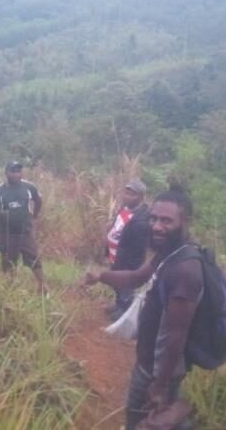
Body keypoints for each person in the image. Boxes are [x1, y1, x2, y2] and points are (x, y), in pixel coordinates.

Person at [85, 186, 202, 430]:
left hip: (156, 371)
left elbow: (176, 335)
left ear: (185, 221)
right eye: (154, 218)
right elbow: (136, 278)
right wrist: (101, 276)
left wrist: (160, 385)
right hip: (151, 365)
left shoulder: (186, 269)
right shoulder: (170, 252)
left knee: (139, 422)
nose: (157, 226)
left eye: (166, 221)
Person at [0, 161, 47, 294]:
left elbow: (38, 200)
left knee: (34, 259)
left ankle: (43, 288)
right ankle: (10, 290)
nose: (16, 174)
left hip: (25, 231)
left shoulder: (29, 187)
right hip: (7, 233)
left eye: (18, 171)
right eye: (13, 171)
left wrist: (35, 215)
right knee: (8, 261)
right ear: (6, 173)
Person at [105, 179, 150, 321]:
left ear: (141, 197)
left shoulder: (143, 219)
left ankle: (125, 310)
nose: (127, 197)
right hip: (115, 256)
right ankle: (119, 304)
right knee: (116, 283)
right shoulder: (124, 209)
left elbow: (139, 249)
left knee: (126, 286)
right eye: (126, 193)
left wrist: (131, 268)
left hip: (127, 262)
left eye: (132, 195)